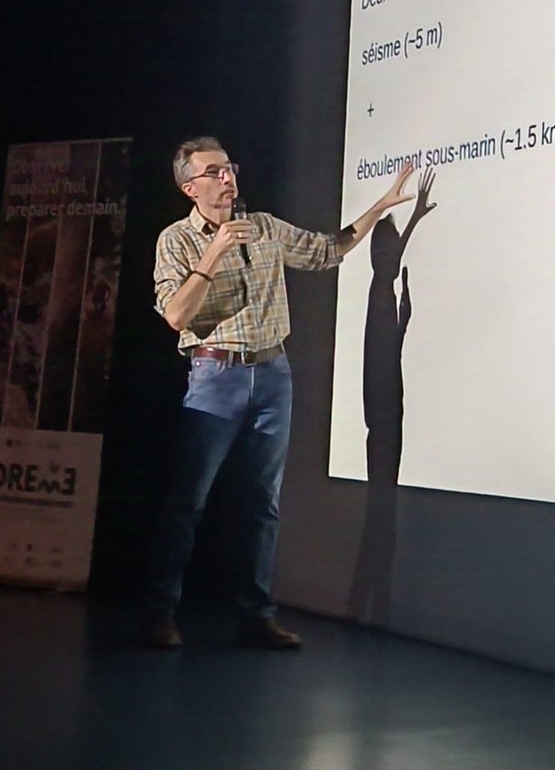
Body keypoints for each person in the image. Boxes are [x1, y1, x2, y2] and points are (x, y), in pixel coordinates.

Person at [143, 135, 415, 649]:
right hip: (214, 378)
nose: (228, 178)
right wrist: (217, 250)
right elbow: (176, 314)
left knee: (262, 502)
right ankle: (160, 612)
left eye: (230, 168)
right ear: (189, 187)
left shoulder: (264, 227)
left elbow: (327, 250)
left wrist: (381, 206)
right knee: (189, 501)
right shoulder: (175, 241)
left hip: (272, 376)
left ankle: (256, 615)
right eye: (214, 171)